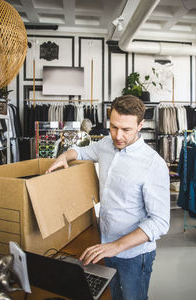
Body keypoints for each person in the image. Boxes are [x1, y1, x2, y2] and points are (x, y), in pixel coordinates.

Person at [46, 95, 170, 300]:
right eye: (113, 127)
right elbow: (82, 151)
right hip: (103, 245)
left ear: (140, 125)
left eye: (126, 130)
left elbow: (160, 222)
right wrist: (64, 156)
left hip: (134, 255)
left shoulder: (152, 164)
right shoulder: (105, 143)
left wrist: (116, 246)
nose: (118, 135)